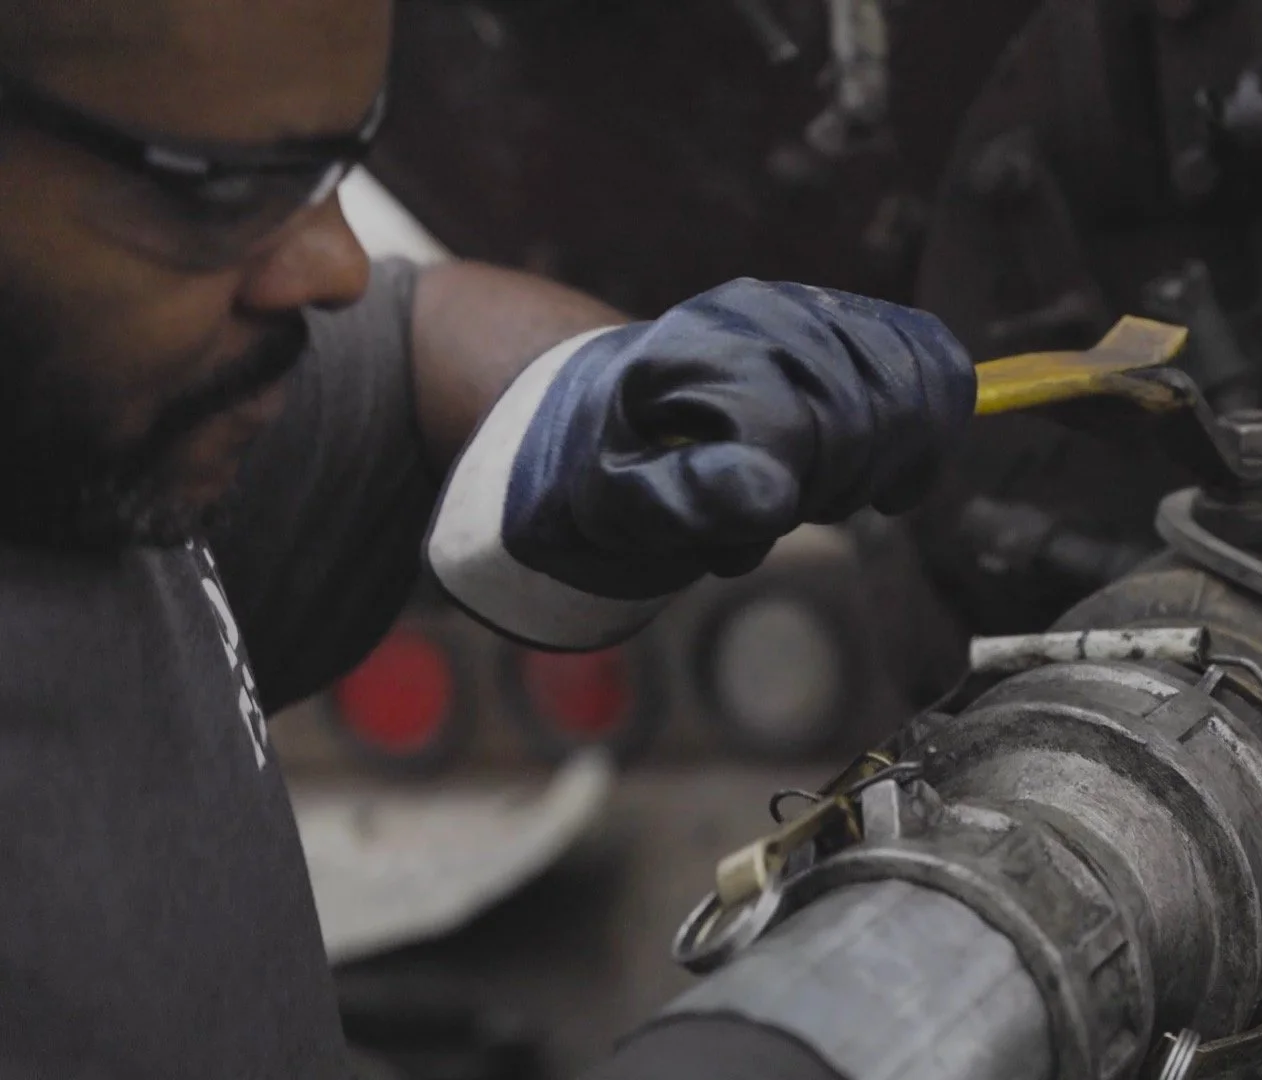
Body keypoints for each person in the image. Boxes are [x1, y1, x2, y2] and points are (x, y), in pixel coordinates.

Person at [0, 1, 974, 1076]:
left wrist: (596, 402)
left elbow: (414, 340)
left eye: (332, 171)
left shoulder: (94, 428)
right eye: (222, 193)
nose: (334, 268)